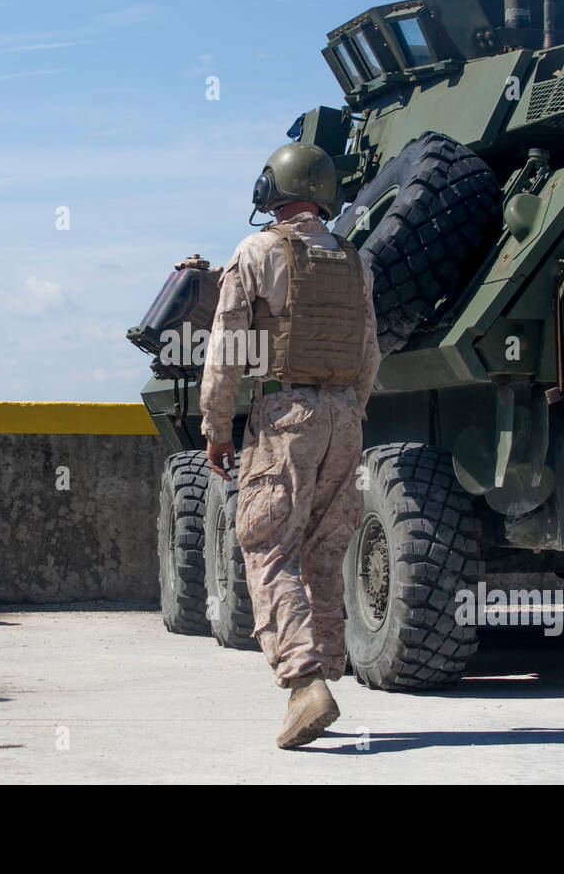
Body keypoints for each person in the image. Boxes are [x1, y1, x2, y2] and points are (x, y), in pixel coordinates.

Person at [200, 142, 380, 748]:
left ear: (270, 190)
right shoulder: (356, 260)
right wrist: (349, 410)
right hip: (344, 418)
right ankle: (325, 670)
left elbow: (226, 355)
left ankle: (304, 684)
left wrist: (217, 428)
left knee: (267, 546)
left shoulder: (255, 253)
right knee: (324, 552)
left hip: (285, 417)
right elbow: (369, 355)